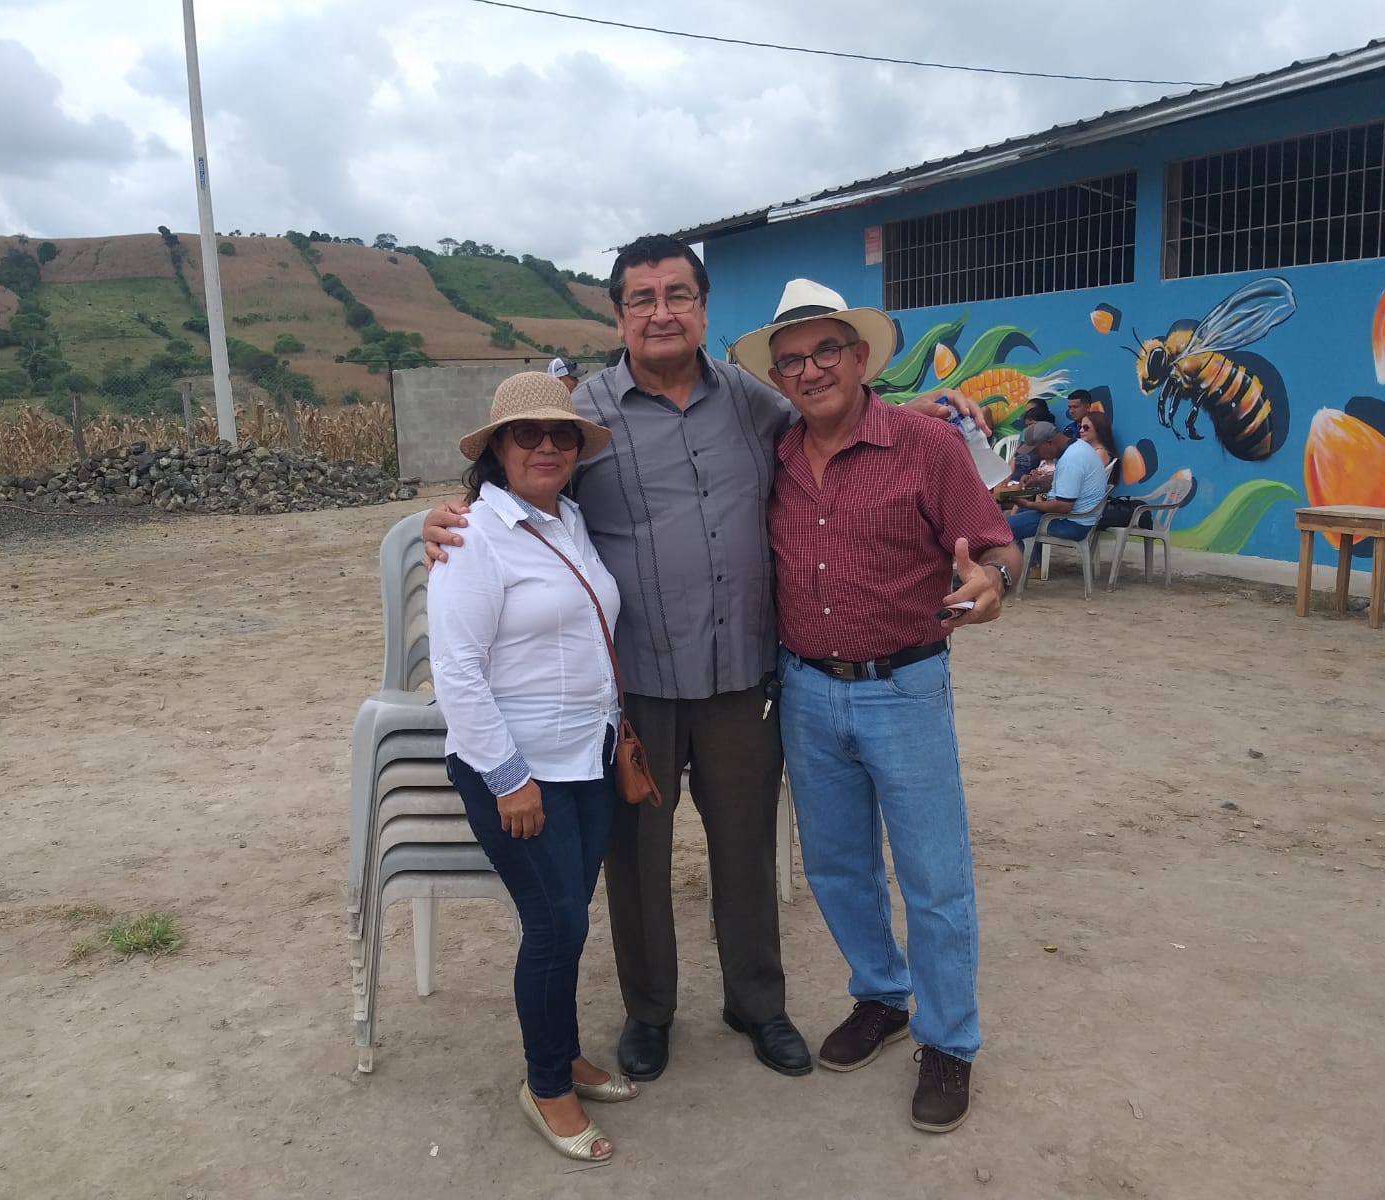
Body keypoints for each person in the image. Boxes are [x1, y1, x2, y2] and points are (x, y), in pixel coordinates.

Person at [423, 235, 991, 1085]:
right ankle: (649, 1011)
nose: (661, 313)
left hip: (742, 682)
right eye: (642, 298)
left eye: (677, 296)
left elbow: (837, 414)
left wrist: (918, 412)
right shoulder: (582, 419)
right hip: (636, 689)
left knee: (745, 851)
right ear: (618, 315)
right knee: (636, 862)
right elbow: (516, 491)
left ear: (702, 307)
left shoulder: (755, 404)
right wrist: (442, 518)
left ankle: (757, 1004)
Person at [731, 279, 1020, 1133]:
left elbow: (997, 544)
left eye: (826, 350)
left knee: (934, 876)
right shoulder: (774, 454)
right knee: (837, 867)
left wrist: (993, 582)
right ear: (777, 380)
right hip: (805, 689)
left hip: (905, 686)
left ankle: (948, 1040)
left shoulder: (926, 446)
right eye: (791, 361)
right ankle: (881, 997)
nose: (810, 369)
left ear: (859, 357)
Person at [426, 372, 636, 1163]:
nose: (547, 446)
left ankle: (564, 1052)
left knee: (568, 917)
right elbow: (456, 669)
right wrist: (508, 777)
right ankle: (546, 1085)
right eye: (527, 434)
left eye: (561, 434)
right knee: (555, 926)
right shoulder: (472, 535)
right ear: (497, 450)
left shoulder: (569, 520)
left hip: (586, 756)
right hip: (516, 768)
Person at [1006, 422, 1109, 545]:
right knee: (1021, 513)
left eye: (1036, 450)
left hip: (1073, 523)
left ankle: (1018, 555)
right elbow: (1065, 480)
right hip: (1081, 518)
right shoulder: (1078, 445)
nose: (1036, 455)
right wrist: (1037, 481)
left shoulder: (1070, 460)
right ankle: (1032, 557)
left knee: (1003, 528)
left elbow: (1063, 506)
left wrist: (1030, 504)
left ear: (1049, 442)